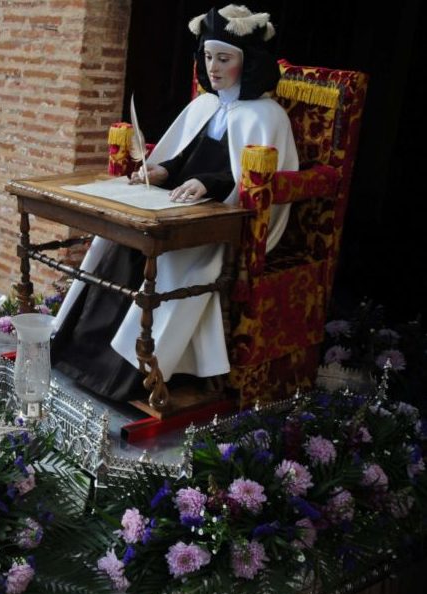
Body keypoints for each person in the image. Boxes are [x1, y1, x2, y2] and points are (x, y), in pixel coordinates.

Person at [53, 4, 298, 400]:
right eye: (208, 56)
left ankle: (127, 374)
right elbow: (184, 154)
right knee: (120, 240)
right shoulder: (203, 105)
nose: (213, 67)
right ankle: (80, 354)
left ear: (249, 62)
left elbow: (253, 181)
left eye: (224, 59)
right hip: (174, 206)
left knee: (170, 261)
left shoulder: (268, 117)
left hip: (219, 220)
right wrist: (163, 171)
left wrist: (208, 184)